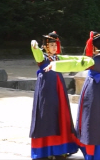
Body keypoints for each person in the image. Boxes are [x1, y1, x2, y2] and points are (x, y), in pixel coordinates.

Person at [44, 31, 100, 160]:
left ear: (94, 47)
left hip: (93, 93)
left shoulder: (91, 61)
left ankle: (93, 153)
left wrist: (54, 65)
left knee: (91, 121)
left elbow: (74, 63)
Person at [30, 31, 79, 159]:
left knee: (61, 117)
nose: (54, 47)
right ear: (45, 46)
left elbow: (73, 61)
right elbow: (36, 52)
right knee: (47, 118)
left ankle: (60, 149)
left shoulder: (58, 58)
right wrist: (33, 45)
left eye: (55, 45)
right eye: (51, 45)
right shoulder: (43, 58)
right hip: (46, 90)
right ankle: (45, 151)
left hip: (59, 90)